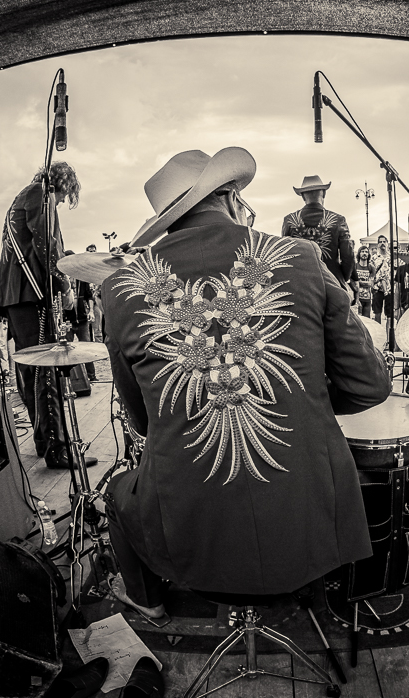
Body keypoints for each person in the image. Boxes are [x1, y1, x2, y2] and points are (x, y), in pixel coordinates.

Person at [101, 147, 390, 617]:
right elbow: (369, 386)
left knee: (117, 492)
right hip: (308, 518)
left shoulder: (119, 287)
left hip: (192, 531)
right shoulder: (300, 256)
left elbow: (141, 420)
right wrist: (297, 396)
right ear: (232, 197)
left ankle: (145, 599)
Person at [0, 161, 81, 469]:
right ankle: (56, 449)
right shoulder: (40, 194)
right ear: (63, 185)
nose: (61, 202)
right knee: (45, 370)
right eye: (64, 197)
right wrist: (65, 285)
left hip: (20, 295)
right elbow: (48, 247)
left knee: (32, 370)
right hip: (29, 294)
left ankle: (45, 443)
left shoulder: (25, 195)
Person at [281, 175, 355, 288]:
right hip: (331, 284)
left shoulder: (289, 220)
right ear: (324, 194)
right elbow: (348, 256)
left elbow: (285, 255)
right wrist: (341, 278)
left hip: (300, 285)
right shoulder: (338, 220)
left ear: (303, 197)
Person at [62, 250, 98, 384]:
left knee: (87, 347)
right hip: (67, 321)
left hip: (82, 319)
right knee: (67, 349)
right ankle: (70, 378)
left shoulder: (81, 276)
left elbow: (89, 296)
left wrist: (91, 311)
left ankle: (91, 375)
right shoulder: (61, 279)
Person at [371, 235, 393, 324]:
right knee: (377, 312)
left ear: (387, 243)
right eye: (380, 242)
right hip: (377, 288)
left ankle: (388, 332)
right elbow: (370, 273)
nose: (382, 243)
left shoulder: (392, 257)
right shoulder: (374, 258)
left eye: (384, 241)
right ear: (378, 244)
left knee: (389, 315)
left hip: (390, 288)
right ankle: (379, 330)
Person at [353, 245, 374, 317]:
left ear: (368, 254)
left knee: (366, 320)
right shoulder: (355, 266)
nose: (364, 253)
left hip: (367, 299)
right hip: (356, 299)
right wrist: (364, 283)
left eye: (366, 252)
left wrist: (358, 282)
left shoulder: (371, 267)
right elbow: (352, 282)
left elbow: (371, 284)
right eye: (362, 251)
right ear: (359, 253)